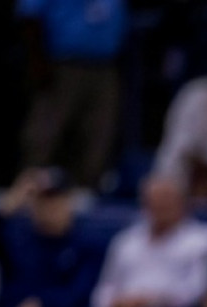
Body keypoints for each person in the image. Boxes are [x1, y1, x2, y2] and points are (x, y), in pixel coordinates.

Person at [0, 167, 103, 307]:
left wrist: (40, 306)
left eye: (55, 199)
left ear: (68, 201)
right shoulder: (17, 236)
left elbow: (80, 294)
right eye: (43, 200)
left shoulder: (85, 242)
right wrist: (7, 206)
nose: (50, 207)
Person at [17, 0, 126, 188]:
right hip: (63, 63)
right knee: (46, 130)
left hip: (106, 64)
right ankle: (29, 189)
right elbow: (29, 16)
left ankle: (89, 189)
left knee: (99, 131)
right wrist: (37, 60)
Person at [91, 175, 207, 307]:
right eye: (154, 200)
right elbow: (101, 295)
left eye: (166, 199)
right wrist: (116, 304)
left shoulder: (205, 240)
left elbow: (199, 292)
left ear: (182, 201)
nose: (160, 205)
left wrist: (151, 302)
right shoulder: (125, 241)